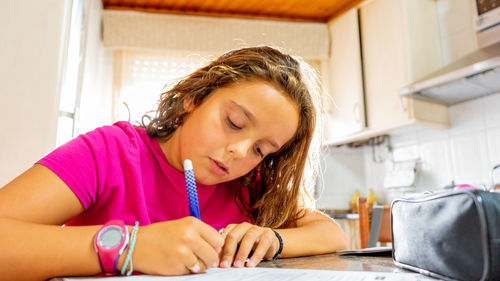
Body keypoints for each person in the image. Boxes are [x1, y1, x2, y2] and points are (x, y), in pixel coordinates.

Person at [0, 46, 348, 280]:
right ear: (192, 100)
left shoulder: (247, 189)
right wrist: (129, 247)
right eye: (234, 123)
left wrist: (274, 239)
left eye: (261, 149)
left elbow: (332, 234)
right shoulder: (111, 153)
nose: (241, 152)